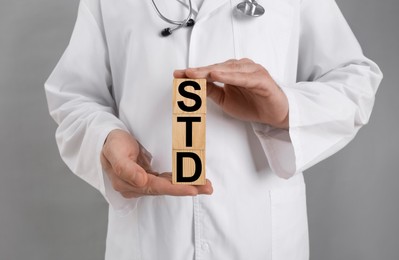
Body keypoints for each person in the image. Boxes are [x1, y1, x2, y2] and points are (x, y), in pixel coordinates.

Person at [44, 0, 382, 259]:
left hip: (261, 238)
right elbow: (74, 94)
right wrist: (104, 139)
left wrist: (285, 108)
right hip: (150, 238)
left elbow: (356, 82)